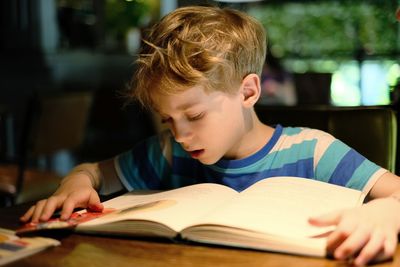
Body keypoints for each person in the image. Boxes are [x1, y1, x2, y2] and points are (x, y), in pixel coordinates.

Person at [21, 5, 400, 266]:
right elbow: (92, 171)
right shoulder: (168, 152)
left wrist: (387, 211)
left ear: (248, 92)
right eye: (167, 120)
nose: (181, 134)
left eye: (195, 115)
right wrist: (74, 182)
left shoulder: (314, 151)